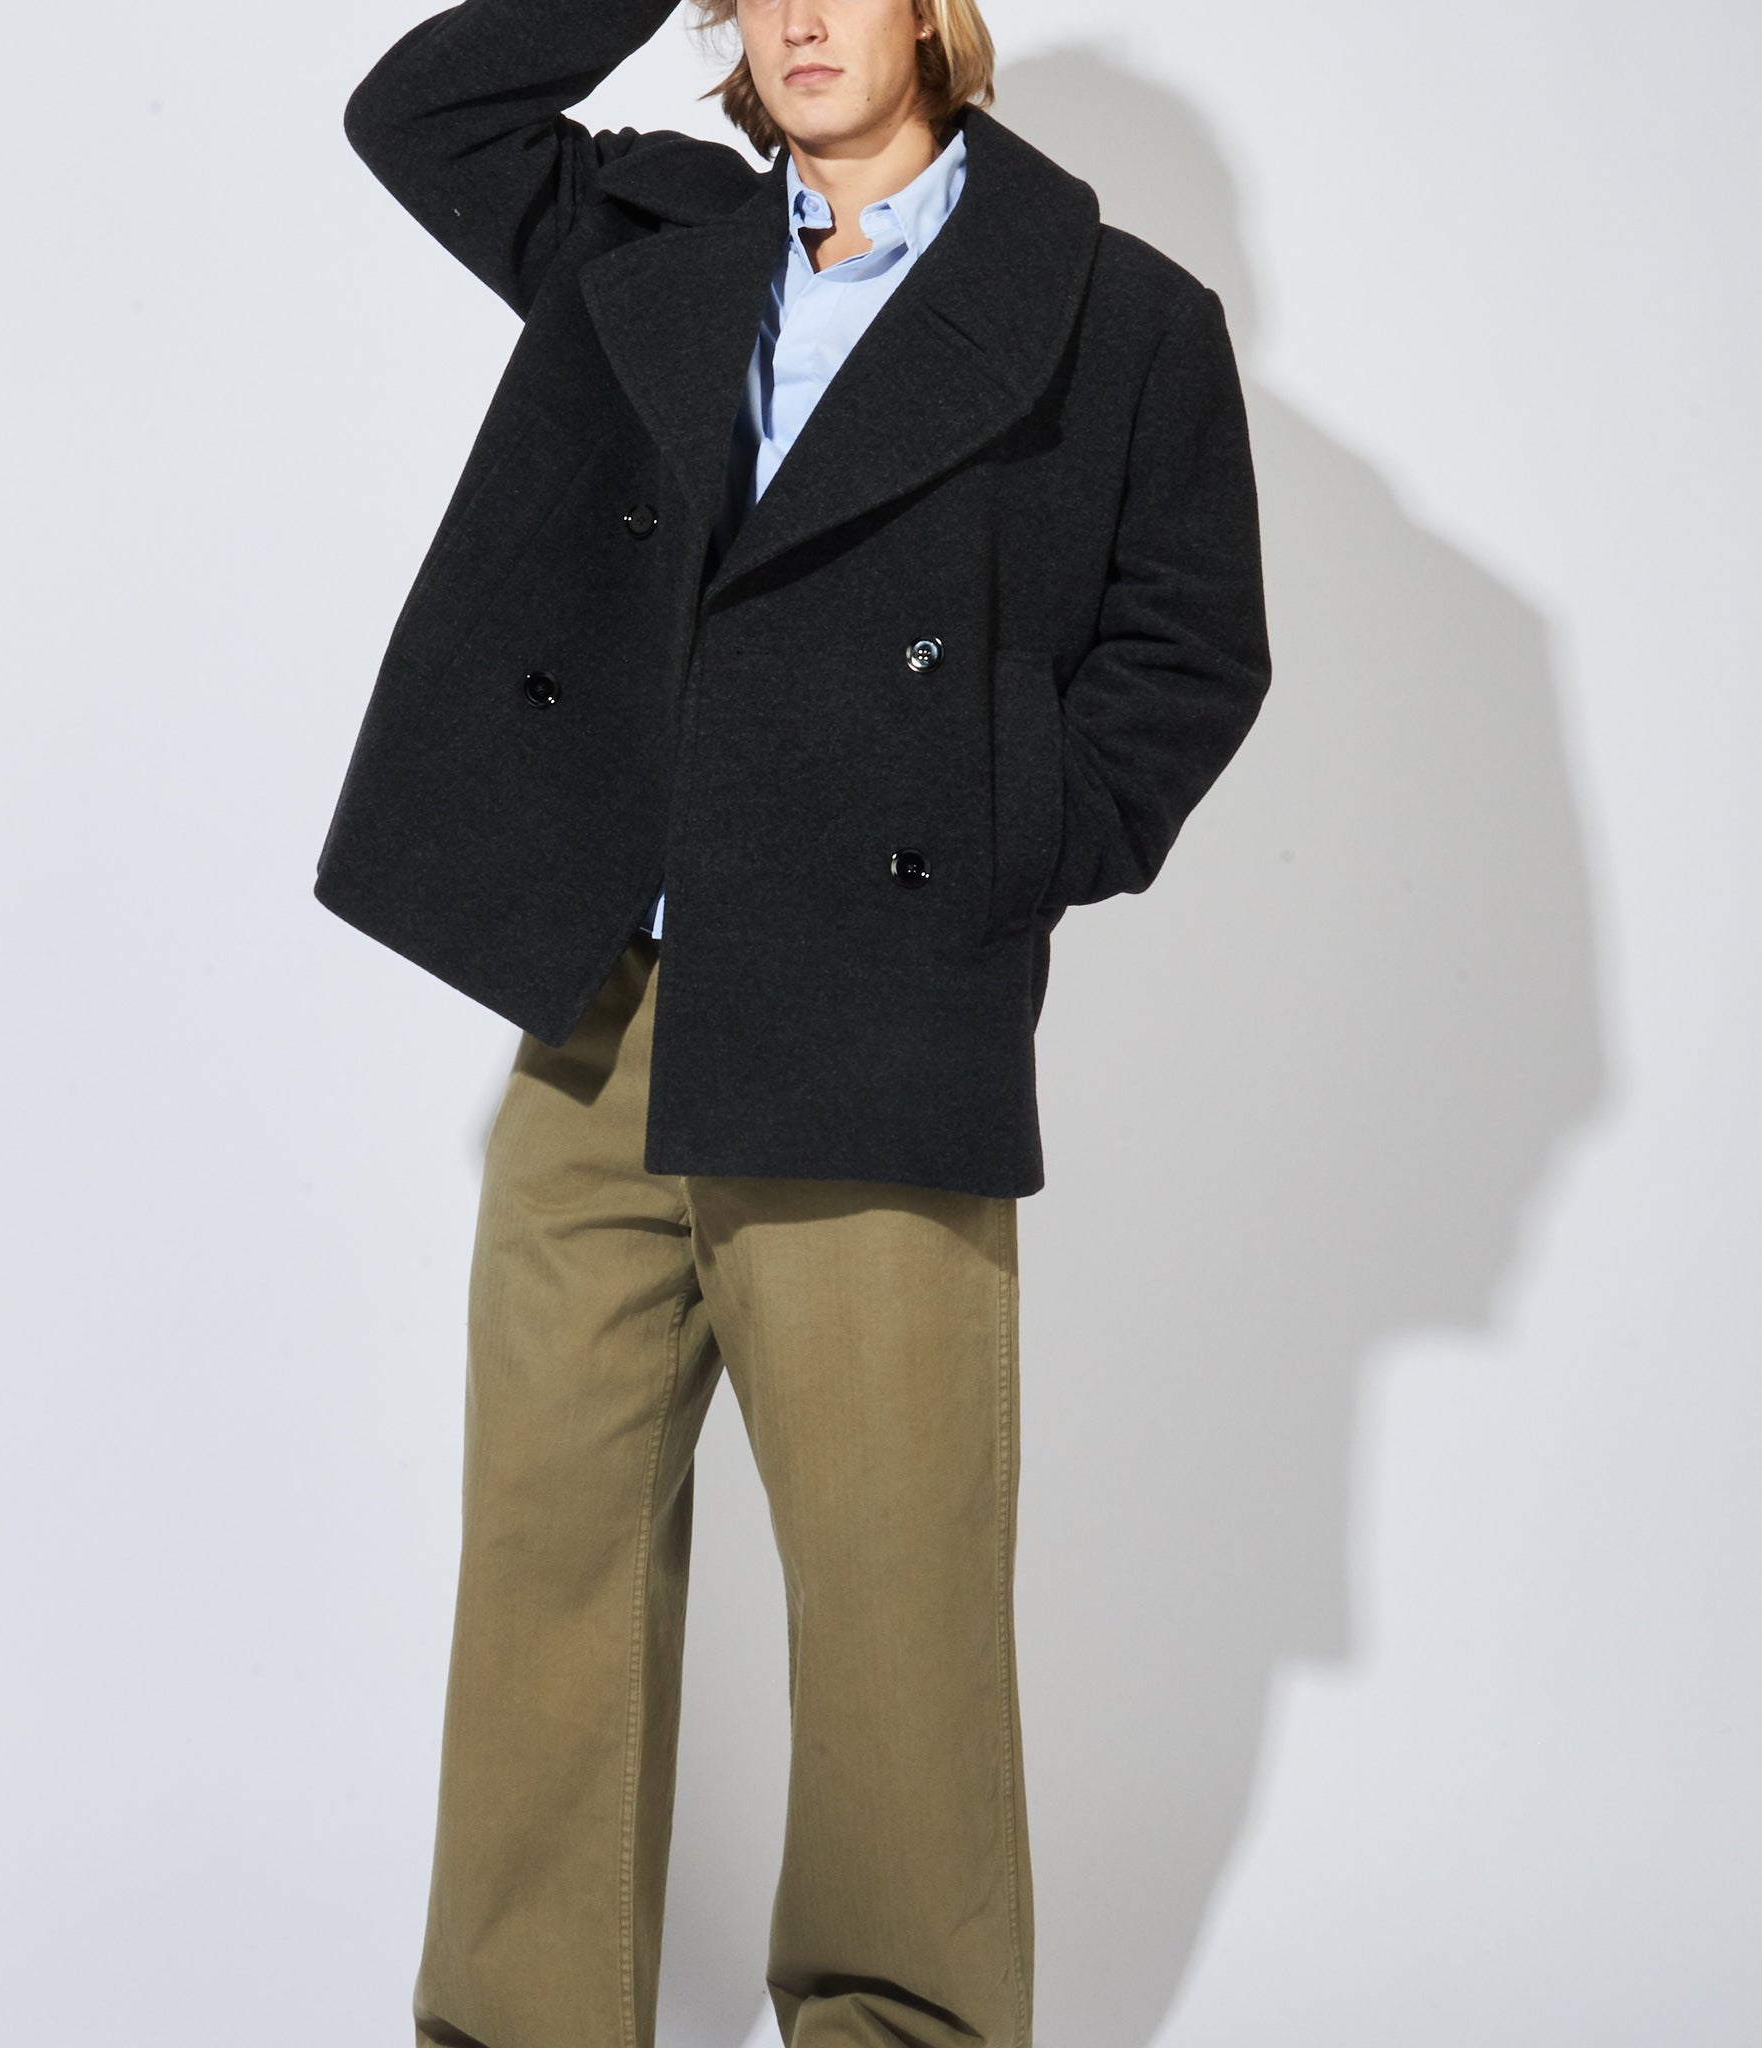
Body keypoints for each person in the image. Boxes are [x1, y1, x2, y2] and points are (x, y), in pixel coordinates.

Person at [317, 0, 1272, 2041]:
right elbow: (422, 112)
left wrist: (986, 834)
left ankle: (896, 2026)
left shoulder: (1115, 317)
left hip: (872, 1008)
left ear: (936, 10)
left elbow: (1191, 657)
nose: (806, 14)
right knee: (544, 1556)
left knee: (891, 1593)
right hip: (603, 1016)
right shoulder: (653, 234)